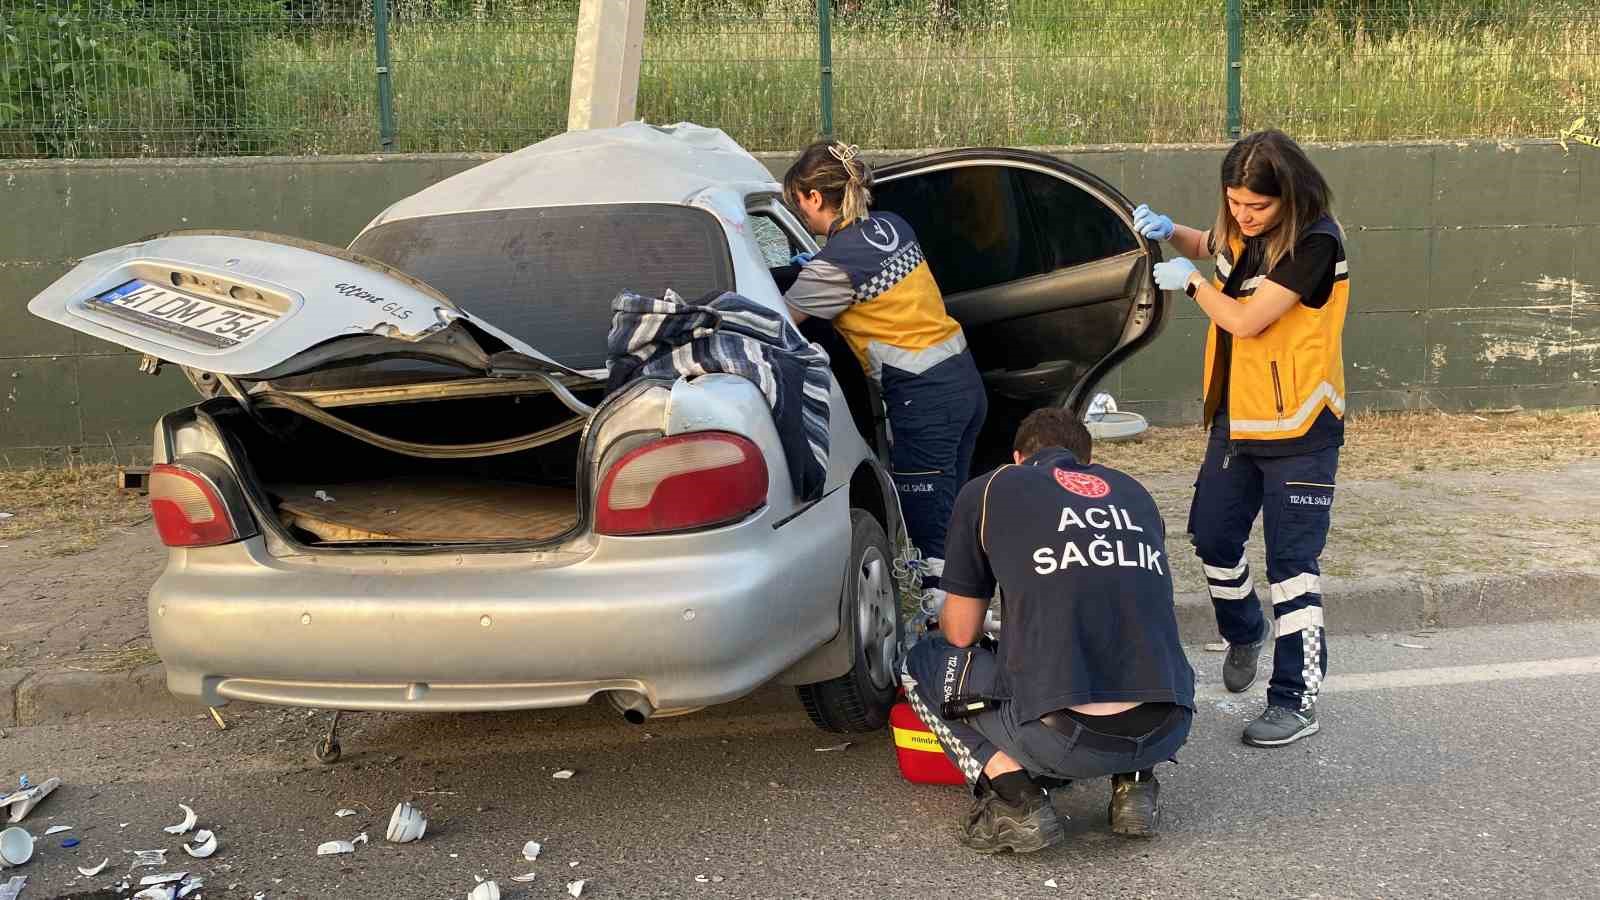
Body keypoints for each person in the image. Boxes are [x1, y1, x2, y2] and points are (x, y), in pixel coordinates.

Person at [1133, 128, 1349, 748]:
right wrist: (1174, 232)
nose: (1242, 217)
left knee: (1293, 568)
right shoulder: (1246, 229)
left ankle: (1296, 698)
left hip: (1302, 428)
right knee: (1213, 536)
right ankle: (1243, 629)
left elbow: (1247, 319)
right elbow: (1217, 246)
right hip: (1239, 418)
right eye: (1234, 202)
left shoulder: (1315, 242)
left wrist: (1192, 284)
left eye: (1256, 207)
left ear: (1290, 197)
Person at [903, 408, 1194, 853]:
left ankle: (1016, 801)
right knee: (1129, 633)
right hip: (1168, 726)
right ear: (1087, 459)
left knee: (922, 661)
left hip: (1061, 738)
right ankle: (1136, 782)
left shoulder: (991, 489)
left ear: (1019, 457)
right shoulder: (1134, 493)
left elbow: (961, 633)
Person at [782, 140, 986, 583]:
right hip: (965, 384)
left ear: (815, 197)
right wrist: (816, 263)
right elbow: (873, 271)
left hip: (923, 400)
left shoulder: (833, 267)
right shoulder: (895, 225)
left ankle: (944, 633)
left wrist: (805, 274)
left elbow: (777, 321)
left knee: (930, 536)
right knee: (954, 514)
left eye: (799, 204)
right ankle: (971, 608)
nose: (801, 214)